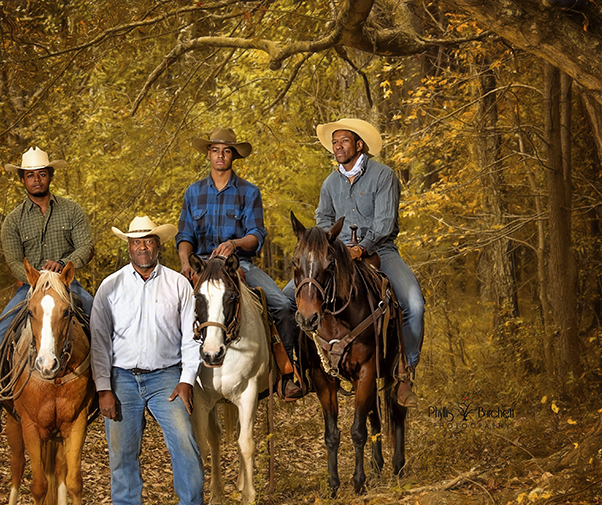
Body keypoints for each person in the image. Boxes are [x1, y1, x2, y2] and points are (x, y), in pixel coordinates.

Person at [91, 216, 205, 505]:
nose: (142, 247)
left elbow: (190, 339)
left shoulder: (178, 285)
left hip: (166, 376)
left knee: (184, 441)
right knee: (123, 452)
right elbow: (99, 341)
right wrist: (103, 388)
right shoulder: (110, 287)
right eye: (136, 241)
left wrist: (186, 380)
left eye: (149, 240)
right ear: (128, 245)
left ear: (158, 244)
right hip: (122, 377)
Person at [0, 147, 94, 440]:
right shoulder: (13, 220)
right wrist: (37, 278)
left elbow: (86, 247)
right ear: (23, 180)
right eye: (30, 176)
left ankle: (106, 394)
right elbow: (14, 261)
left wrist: (62, 265)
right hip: (30, 289)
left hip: (67, 286)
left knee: (101, 321)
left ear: (50, 175)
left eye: (41, 174)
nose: (36, 180)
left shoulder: (71, 210)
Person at [176, 127, 303, 399]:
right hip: (203, 267)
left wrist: (234, 244)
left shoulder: (249, 192)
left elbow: (256, 235)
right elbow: (185, 234)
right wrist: (186, 262)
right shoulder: (193, 192)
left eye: (226, 150)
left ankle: (285, 372)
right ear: (208, 155)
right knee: (170, 306)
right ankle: (171, 374)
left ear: (233, 156)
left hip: (238, 265)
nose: (220, 155)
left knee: (280, 305)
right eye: (215, 150)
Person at [311, 118, 425, 408]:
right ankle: (307, 372)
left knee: (414, 304)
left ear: (358, 144)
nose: (338, 146)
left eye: (344, 141)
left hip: (380, 250)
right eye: (334, 142)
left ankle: (404, 374)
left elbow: (385, 223)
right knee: (292, 298)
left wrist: (361, 248)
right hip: (337, 255)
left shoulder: (383, 175)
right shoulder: (328, 183)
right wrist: (331, 246)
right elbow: (323, 220)